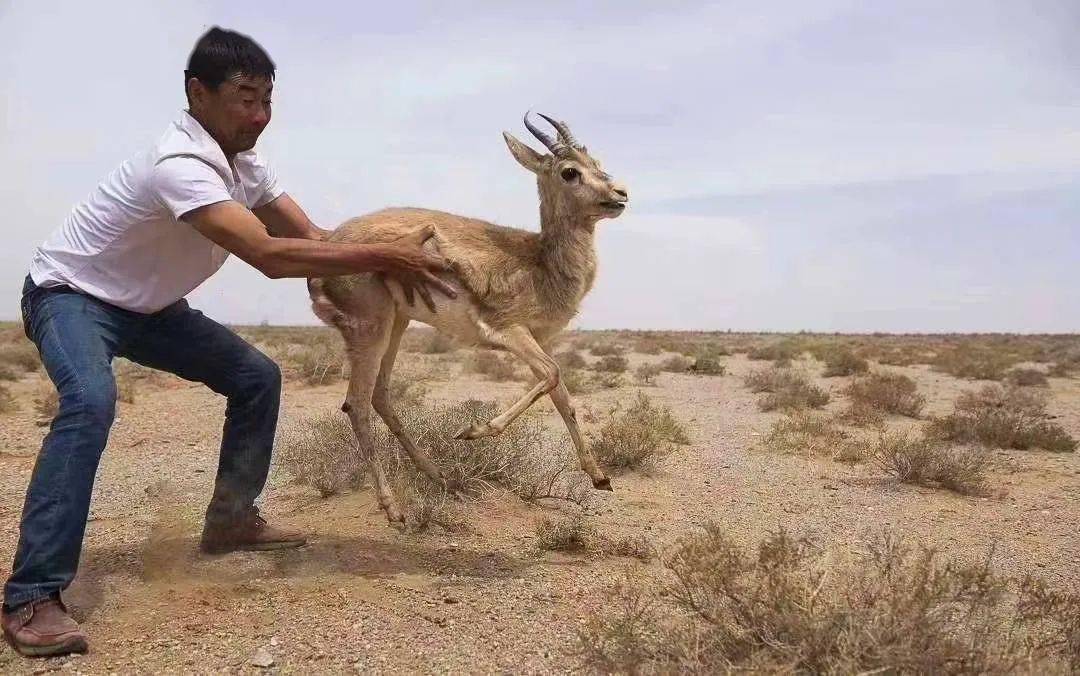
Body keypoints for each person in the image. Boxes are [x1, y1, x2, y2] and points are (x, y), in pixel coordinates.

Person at [1, 26, 455, 658]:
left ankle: (231, 519)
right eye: (245, 98)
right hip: (71, 296)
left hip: (151, 309)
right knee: (90, 402)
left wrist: (383, 265)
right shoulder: (179, 165)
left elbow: (316, 242)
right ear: (198, 92)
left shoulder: (248, 166)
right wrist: (387, 253)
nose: (259, 116)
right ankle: (32, 596)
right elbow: (268, 255)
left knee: (256, 377)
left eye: (268, 100)